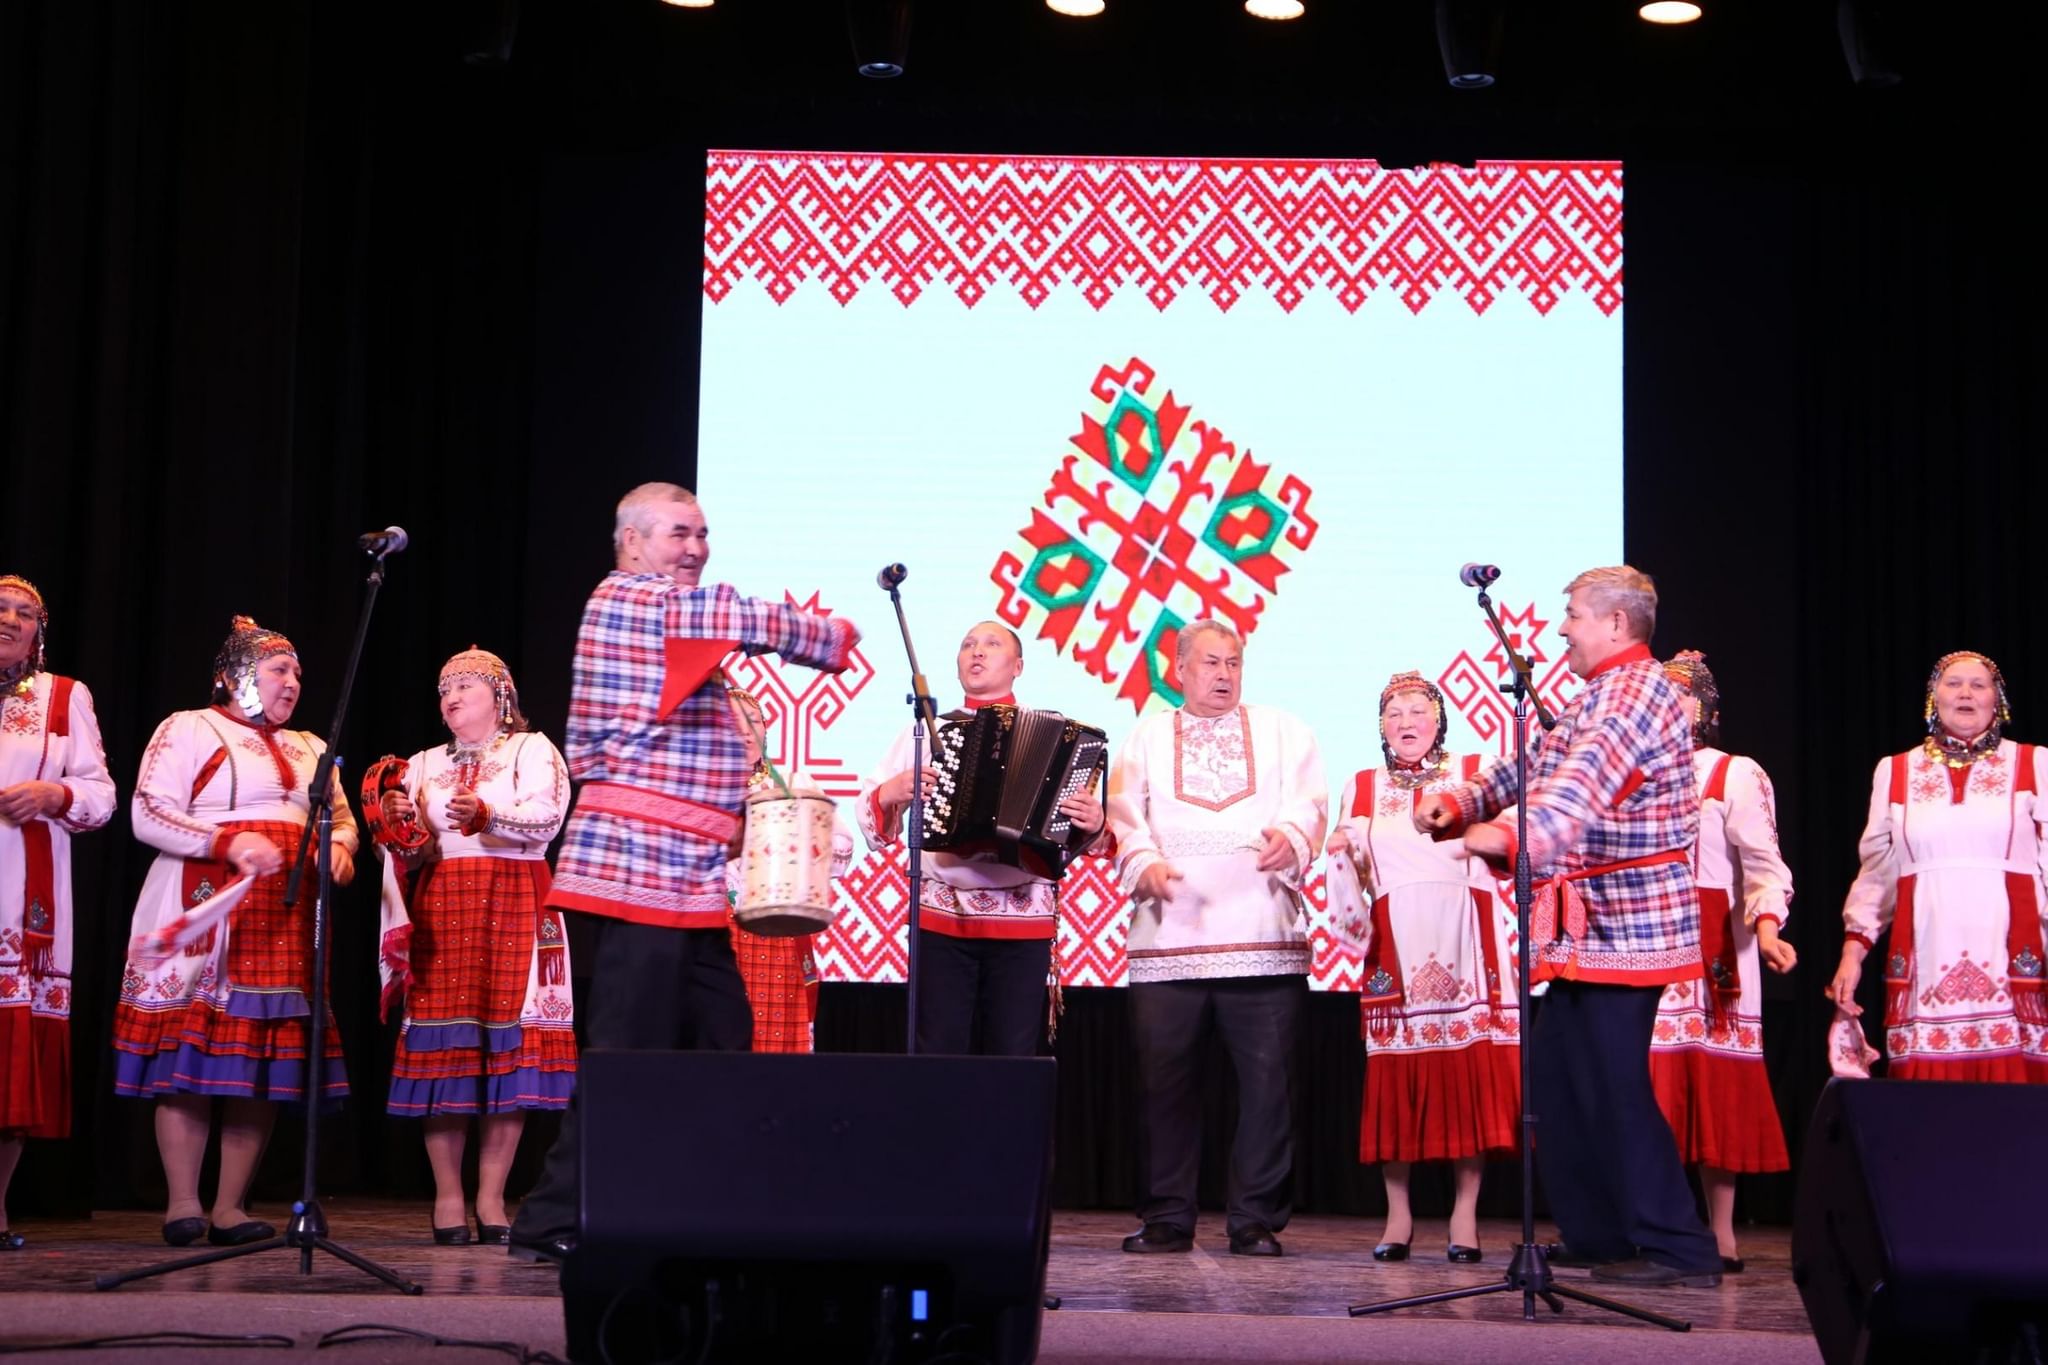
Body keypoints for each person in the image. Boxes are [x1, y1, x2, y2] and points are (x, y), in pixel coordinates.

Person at [508, 482, 859, 1261]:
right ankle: (554, 1216)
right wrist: (831, 635)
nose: (695, 548)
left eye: (703, 533)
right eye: (679, 533)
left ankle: (710, 1204)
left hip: (689, 878)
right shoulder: (629, 600)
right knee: (628, 1057)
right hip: (638, 868)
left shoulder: (668, 619)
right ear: (632, 540)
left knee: (725, 1040)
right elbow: (732, 613)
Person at [1414, 566, 1721, 1288]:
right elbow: (1536, 764)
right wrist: (1462, 801)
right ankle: (1599, 1234)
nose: (1561, 629)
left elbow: (1576, 792)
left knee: (1614, 1082)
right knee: (1558, 1081)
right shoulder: (1600, 694)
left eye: (1574, 615)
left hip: (1630, 920)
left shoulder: (1639, 693)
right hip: (1589, 925)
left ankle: (1677, 1243)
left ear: (1617, 624)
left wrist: (1509, 838)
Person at [112, 616, 359, 1247]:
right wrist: (228, 838)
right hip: (207, 901)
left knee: (260, 1060)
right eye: (278, 669)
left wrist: (343, 847)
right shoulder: (191, 726)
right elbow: (148, 811)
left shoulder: (309, 744)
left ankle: (229, 1205)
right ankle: (182, 1202)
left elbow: (342, 818)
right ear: (234, 677)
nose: (292, 682)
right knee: (189, 1058)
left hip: (284, 914)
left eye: (298, 673)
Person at [1106, 619, 1325, 1258]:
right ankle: (1168, 1216)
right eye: (1210, 663)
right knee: (1164, 1088)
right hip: (1168, 937)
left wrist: (1293, 834)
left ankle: (1254, 1219)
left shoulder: (1286, 731)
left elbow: (1310, 803)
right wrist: (1143, 858)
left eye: (1233, 663)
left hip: (1261, 933)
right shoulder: (1146, 734)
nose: (1224, 675)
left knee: (1268, 1089)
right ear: (1179, 669)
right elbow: (1124, 815)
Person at [374, 647, 574, 1244]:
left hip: (515, 895)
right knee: (447, 1051)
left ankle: (490, 1199)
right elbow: (408, 847)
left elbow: (548, 818)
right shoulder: (422, 762)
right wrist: (394, 824)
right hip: (444, 905)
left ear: (500, 695)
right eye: (444, 690)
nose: (451, 697)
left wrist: (487, 811)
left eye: (465, 685)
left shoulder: (531, 749)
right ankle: (448, 1197)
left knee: (506, 1049)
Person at [1326, 671, 1516, 1264]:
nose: (1406, 722)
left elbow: (1516, 834)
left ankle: (1465, 1215)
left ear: (1440, 718)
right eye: (1393, 713)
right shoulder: (1362, 785)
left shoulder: (1476, 768)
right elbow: (1353, 853)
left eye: (1418, 709)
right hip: (1397, 943)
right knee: (1395, 1079)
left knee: (1466, 1076)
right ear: (1381, 727)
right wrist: (1340, 846)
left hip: (1464, 932)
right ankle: (1398, 1216)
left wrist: (1483, 834)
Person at [858, 621, 1105, 1057]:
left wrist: (1092, 821)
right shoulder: (928, 731)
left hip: (1024, 918)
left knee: (1013, 1053)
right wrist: (890, 793)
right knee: (938, 1051)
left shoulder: (1058, 733)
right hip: (941, 915)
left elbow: (1076, 839)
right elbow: (873, 815)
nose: (977, 652)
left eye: (992, 644)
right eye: (968, 644)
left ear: (1018, 666)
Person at [1829, 650, 2048, 1083]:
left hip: (2012, 962)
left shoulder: (2034, 763)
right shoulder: (1895, 771)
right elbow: (1877, 874)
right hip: (1926, 959)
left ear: (1996, 700)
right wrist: (1852, 953)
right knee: (1929, 1115)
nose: (1965, 693)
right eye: (1953, 683)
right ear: (1934, 698)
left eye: (1979, 685)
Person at [1648, 651, 1796, 1272]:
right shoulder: (1633, 771)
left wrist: (1766, 927)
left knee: (1715, 1085)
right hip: (1647, 939)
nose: (1670, 705)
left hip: (1718, 948)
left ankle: (1723, 1229)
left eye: (1680, 694)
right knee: (1651, 1090)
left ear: (1704, 706)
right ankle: (1658, 1223)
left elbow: (1763, 864)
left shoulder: (1734, 773)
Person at [0, 576, 116, 1251]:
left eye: (26, 614)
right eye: (2, 610)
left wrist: (55, 791)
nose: (11, 620)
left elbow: (101, 795)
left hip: (22, 898)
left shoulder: (64, 697)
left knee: (10, 1065)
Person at [723, 683, 851, 1053]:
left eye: (755, 722)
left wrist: (786, 835)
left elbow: (841, 850)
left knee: (774, 1049)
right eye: (734, 722)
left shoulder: (792, 783)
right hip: (710, 932)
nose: (746, 731)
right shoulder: (698, 788)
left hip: (774, 929)